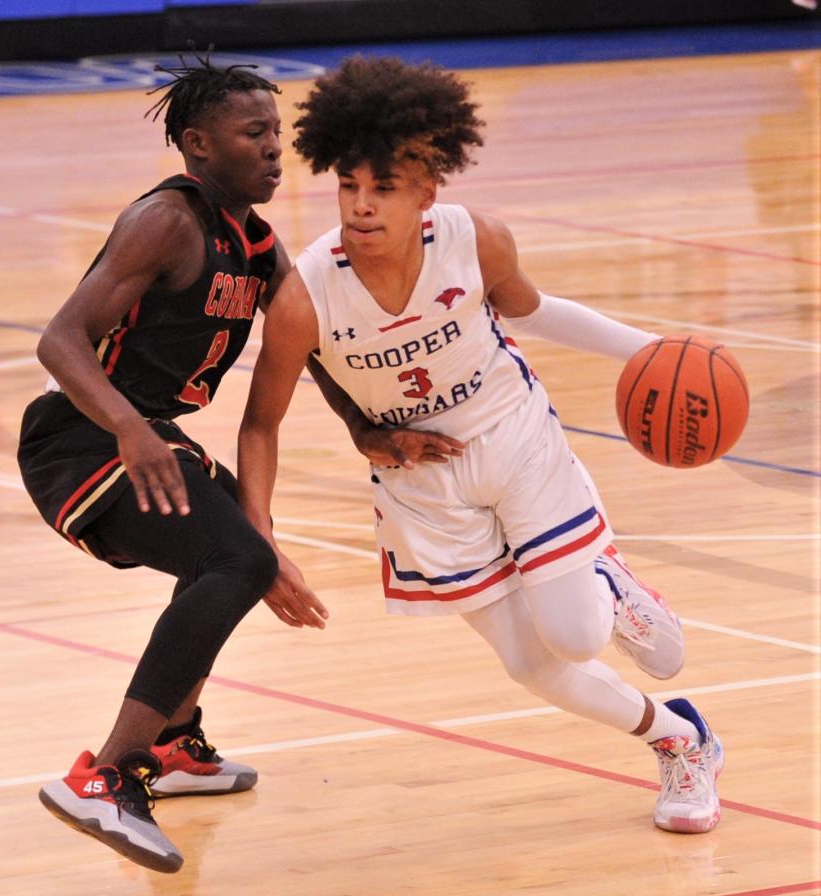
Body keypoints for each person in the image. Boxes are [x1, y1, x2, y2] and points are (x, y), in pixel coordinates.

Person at [237, 56, 724, 836]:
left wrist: (652, 350)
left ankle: (610, 588)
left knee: (573, 634)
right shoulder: (305, 295)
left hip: (515, 438)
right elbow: (261, 422)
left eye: (384, 188)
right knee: (533, 666)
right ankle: (682, 738)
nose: (361, 207)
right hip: (421, 484)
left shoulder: (478, 241)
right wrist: (258, 536)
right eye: (348, 186)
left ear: (428, 189)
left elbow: (536, 311)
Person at [18, 57, 299, 873]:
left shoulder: (256, 243)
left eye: (278, 132)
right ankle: (105, 774)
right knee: (237, 555)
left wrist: (372, 427)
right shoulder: (168, 222)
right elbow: (59, 338)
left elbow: (312, 341)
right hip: (78, 438)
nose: (276, 148)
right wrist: (134, 432)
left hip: (144, 432)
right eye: (256, 134)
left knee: (232, 549)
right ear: (198, 145)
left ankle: (172, 741)